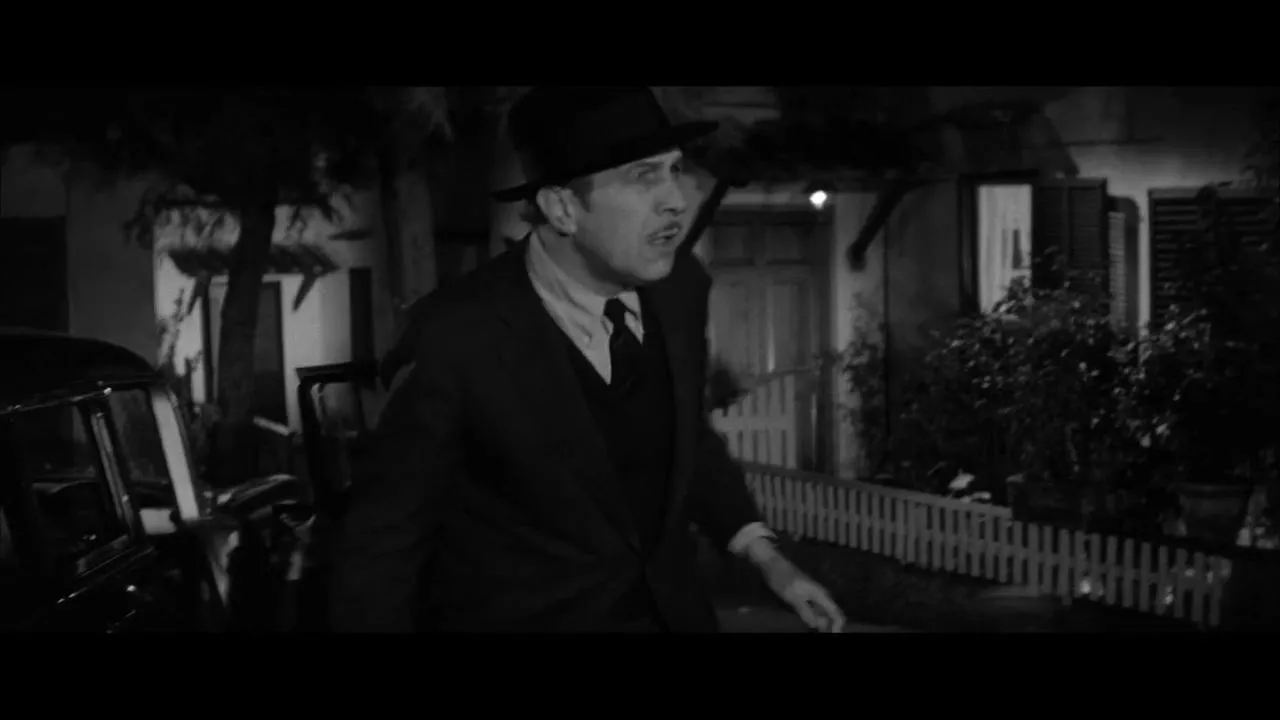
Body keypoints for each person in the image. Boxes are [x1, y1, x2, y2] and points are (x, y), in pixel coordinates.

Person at [330, 86, 845, 633]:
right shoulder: (456, 335)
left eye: (674, 170)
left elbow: (685, 439)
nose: (676, 199)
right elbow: (382, 545)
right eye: (643, 176)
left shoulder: (681, 289)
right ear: (562, 208)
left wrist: (767, 559)